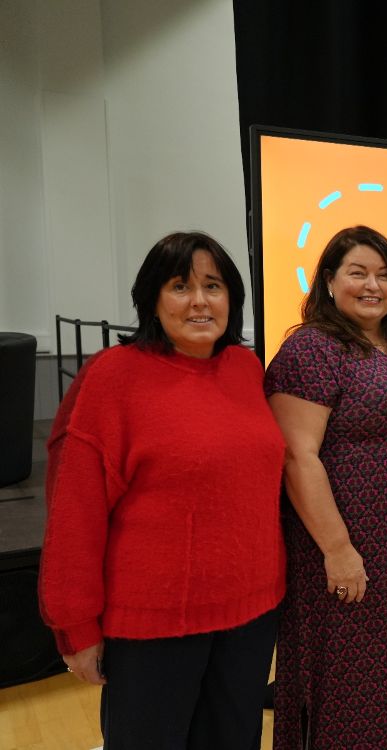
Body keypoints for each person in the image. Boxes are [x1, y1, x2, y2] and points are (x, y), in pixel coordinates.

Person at [38, 232, 285, 749]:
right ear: (152, 298)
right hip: (153, 628)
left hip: (250, 618)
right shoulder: (112, 378)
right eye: (180, 286)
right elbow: (74, 513)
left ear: (232, 300)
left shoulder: (245, 369)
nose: (199, 300)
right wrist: (76, 628)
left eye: (213, 286)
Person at [266, 226, 387, 749]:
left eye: (383, 274)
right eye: (357, 272)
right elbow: (296, 455)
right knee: (357, 688)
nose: (372, 285)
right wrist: (338, 550)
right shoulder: (311, 349)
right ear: (329, 281)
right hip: (356, 551)